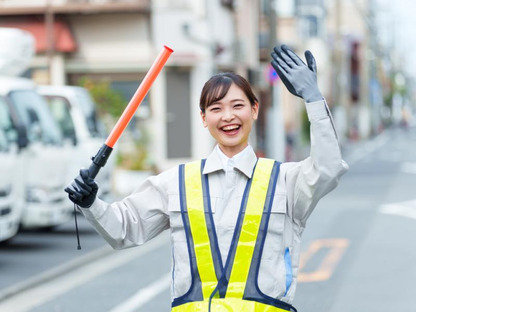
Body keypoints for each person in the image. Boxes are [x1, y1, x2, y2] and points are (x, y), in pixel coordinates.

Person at [65, 45, 348, 312]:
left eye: (238, 105)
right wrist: (92, 202)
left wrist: (313, 99)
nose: (228, 116)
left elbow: (328, 167)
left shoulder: (285, 180)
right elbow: (124, 229)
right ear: (203, 118)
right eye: (215, 109)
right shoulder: (176, 182)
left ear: (254, 110)